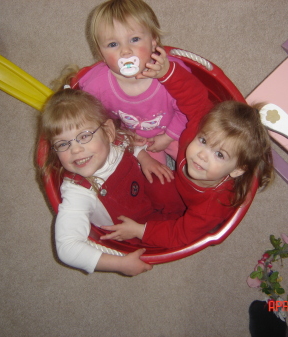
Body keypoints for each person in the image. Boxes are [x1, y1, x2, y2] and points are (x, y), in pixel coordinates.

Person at [100, 53, 274, 248]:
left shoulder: (214, 205)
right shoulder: (204, 124)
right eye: (202, 140)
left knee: (168, 215)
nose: (202, 154)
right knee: (152, 178)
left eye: (219, 154)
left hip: (193, 203)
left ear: (236, 170)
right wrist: (167, 72)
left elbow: (180, 235)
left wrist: (139, 231)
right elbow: (194, 94)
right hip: (180, 180)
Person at [37, 86, 185, 276]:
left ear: (108, 131)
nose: (75, 150)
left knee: (168, 182)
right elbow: (67, 248)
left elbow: (127, 144)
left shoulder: (114, 139)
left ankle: (194, 214)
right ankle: (189, 229)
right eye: (63, 144)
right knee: (169, 237)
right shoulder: (78, 192)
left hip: (144, 190)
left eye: (84, 136)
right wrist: (119, 264)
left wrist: (144, 158)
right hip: (131, 227)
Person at [74, 0, 191, 179]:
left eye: (134, 39)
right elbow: (95, 121)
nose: (126, 51)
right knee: (153, 181)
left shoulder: (171, 74)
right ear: (101, 54)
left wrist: (168, 136)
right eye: (113, 44)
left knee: (197, 163)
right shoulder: (96, 85)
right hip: (137, 142)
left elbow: (189, 107)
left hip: (176, 129)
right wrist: (126, 137)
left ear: (153, 41)